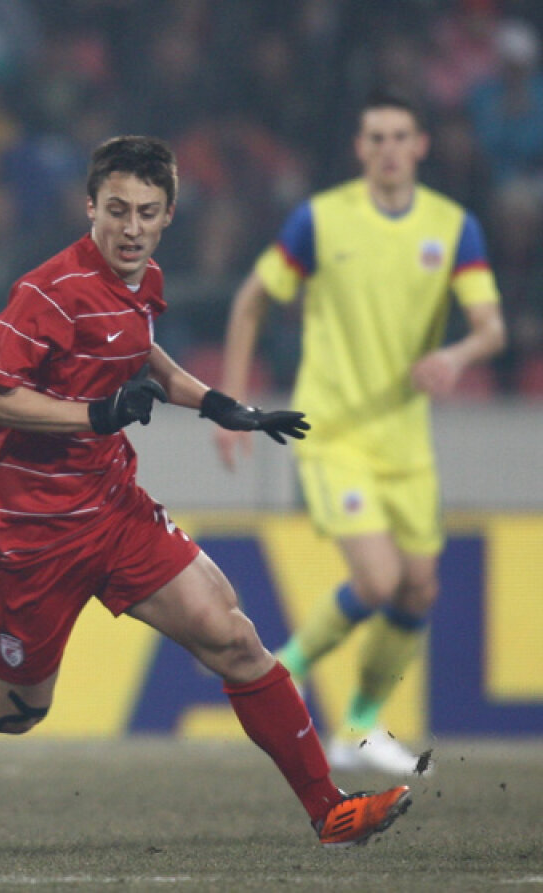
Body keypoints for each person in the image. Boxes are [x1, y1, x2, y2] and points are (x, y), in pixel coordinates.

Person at [0, 134, 414, 849]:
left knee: (234, 637)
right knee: (15, 707)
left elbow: (135, 347)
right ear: (91, 207)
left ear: (169, 213)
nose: (132, 226)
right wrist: (93, 415)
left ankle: (330, 811)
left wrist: (215, 404)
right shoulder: (47, 291)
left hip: (115, 510)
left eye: (148, 211)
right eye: (116, 209)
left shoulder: (141, 279)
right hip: (29, 537)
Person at [215, 89, 506, 774]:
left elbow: (491, 327)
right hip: (333, 429)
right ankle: (273, 673)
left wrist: (454, 356)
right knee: (377, 577)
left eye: (401, 136)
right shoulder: (321, 220)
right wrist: (230, 404)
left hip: (406, 442)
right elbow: (251, 301)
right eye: (375, 137)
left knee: (418, 588)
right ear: (359, 147)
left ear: (421, 145)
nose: (388, 149)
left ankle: (362, 726)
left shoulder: (452, 227)